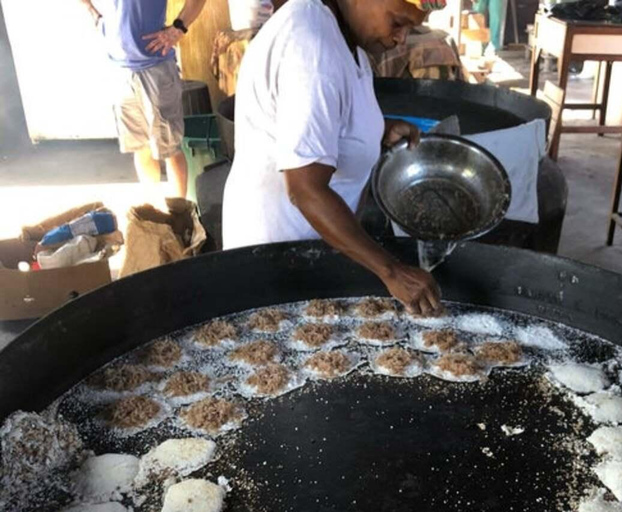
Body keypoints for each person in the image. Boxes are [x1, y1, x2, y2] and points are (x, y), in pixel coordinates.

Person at [222, 0, 445, 316]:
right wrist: (391, 272)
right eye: (397, 23)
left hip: (311, 260)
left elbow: (323, 121)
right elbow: (305, 189)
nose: (401, 39)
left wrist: (376, 131)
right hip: (276, 269)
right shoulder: (312, 48)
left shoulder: (342, 37)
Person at [78, 0, 208, 199]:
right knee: (140, 146)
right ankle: (153, 214)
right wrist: (93, 14)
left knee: (169, 148)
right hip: (120, 69)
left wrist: (178, 28)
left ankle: (180, 218)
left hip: (155, 69)